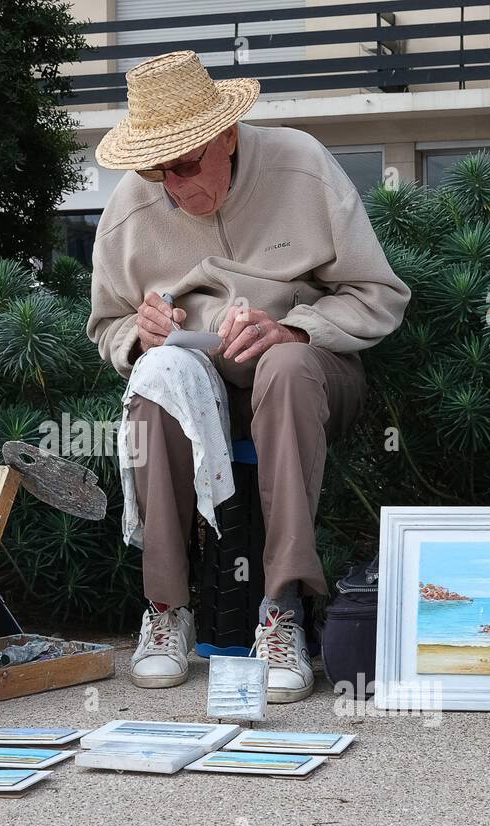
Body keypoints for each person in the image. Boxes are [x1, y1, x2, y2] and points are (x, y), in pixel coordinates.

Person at [86, 51, 410, 702]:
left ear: (227, 136)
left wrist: (297, 328)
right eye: (156, 168)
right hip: (198, 381)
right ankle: (166, 609)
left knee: (285, 367)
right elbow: (106, 326)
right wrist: (140, 335)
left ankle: (283, 608)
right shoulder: (131, 206)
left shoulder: (301, 164)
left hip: (308, 373)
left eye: (185, 163)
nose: (172, 184)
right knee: (156, 378)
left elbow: (379, 295)